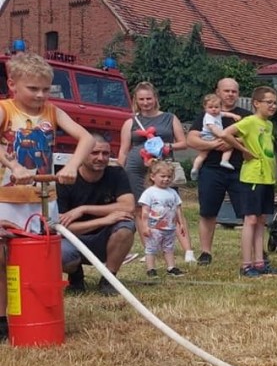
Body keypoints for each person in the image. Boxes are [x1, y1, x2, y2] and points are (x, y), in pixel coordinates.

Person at [0, 53, 95, 339]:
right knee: (4, 259)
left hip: (44, 197)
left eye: (46, 89)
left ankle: (40, 312)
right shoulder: (5, 109)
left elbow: (86, 138)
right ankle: (5, 317)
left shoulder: (53, 112)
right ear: (12, 84)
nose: (40, 95)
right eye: (33, 89)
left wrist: (71, 166)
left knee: (43, 258)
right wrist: (13, 165)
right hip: (9, 199)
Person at [117, 81, 195, 264]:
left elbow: (184, 143)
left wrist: (167, 146)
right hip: (135, 168)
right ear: (136, 100)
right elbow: (123, 149)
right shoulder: (130, 121)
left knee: (173, 208)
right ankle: (149, 249)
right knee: (140, 209)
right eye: (141, 99)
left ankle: (188, 251)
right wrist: (118, 171)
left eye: (149, 98)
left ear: (155, 99)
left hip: (162, 167)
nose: (145, 103)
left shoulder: (169, 117)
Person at [58, 133, 135, 296]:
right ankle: (76, 278)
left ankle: (109, 280)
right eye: (94, 153)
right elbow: (62, 228)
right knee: (58, 253)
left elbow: (128, 206)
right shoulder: (64, 179)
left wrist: (84, 209)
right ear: (81, 154)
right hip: (74, 240)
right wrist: (105, 220)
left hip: (105, 239)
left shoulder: (116, 173)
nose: (101, 158)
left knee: (126, 226)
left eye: (105, 153)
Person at [187, 78, 252, 266]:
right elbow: (191, 139)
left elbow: (252, 139)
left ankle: (256, 252)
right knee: (208, 211)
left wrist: (232, 142)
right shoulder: (207, 114)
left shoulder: (245, 116)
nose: (230, 94)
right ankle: (206, 252)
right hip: (211, 169)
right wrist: (213, 145)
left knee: (248, 213)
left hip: (240, 169)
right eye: (226, 91)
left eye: (234, 91)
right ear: (218, 92)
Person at [219, 86, 277, 277]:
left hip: (266, 177)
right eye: (269, 102)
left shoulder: (268, 125)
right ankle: (246, 264)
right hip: (252, 176)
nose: (273, 106)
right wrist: (242, 150)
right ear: (256, 103)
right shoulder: (250, 121)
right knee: (250, 219)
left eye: (275, 102)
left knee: (261, 220)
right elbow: (225, 133)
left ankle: (259, 262)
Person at [137, 160, 185, 277]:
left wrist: (181, 223)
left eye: (169, 177)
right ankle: (151, 269)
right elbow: (145, 212)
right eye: (162, 176)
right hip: (154, 228)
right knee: (151, 248)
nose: (166, 179)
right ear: (153, 176)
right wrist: (145, 226)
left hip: (170, 227)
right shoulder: (149, 193)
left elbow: (178, 209)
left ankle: (171, 267)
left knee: (169, 248)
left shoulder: (173, 192)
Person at [190, 93, 241, 180]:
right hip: (210, 135)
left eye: (216, 107)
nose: (214, 109)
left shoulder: (218, 114)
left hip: (211, 136)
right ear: (205, 108)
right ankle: (224, 160)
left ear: (220, 107)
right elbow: (212, 128)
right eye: (210, 107)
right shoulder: (208, 117)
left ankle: (195, 168)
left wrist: (233, 115)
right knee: (229, 146)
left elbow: (226, 114)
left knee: (203, 155)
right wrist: (222, 135)